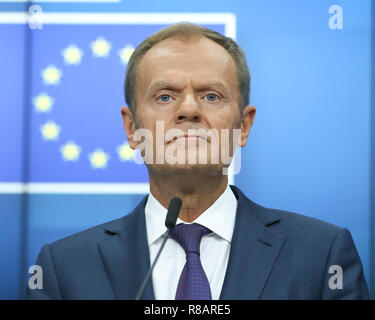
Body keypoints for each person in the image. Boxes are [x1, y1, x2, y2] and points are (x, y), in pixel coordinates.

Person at [26, 23, 369, 300]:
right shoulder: (63, 269)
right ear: (131, 127)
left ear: (243, 126)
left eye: (210, 96)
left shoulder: (323, 255)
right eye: (165, 96)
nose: (189, 110)